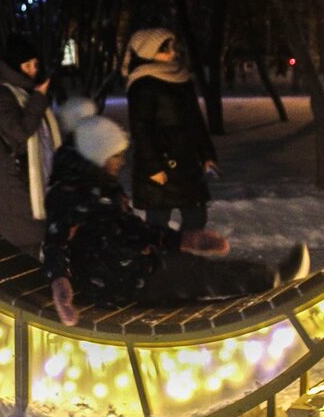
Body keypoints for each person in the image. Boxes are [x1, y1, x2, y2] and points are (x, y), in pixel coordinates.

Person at [43, 116, 308, 326]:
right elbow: (56, 242)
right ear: (97, 156)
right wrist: (61, 283)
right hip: (115, 285)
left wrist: (181, 240)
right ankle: (272, 280)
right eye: (115, 156)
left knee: (191, 270)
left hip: (129, 271)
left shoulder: (98, 187)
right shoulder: (71, 195)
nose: (121, 162)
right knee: (192, 274)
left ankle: (267, 280)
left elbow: (133, 229)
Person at [122, 27, 218, 232]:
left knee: (196, 217)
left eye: (173, 47)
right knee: (158, 222)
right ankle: (159, 261)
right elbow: (141, 129)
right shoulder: (143, 84)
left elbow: (196, 121)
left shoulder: (181, 78)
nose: (173, 53)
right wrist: (153, 167)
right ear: (148, 51)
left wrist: (207, 154)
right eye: (165, 49)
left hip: (186, 160)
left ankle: (185, 258)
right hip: (161, 162)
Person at [0, 37, 61, 258]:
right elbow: (18, 132)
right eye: (26, 65)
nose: (33, 70)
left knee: (35, 248)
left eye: (35, 64)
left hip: (29, 185)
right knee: (22, 255)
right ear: (13, 67)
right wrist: (38, 98)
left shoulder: (26, 93)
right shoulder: (2, 95)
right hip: (15, 186)